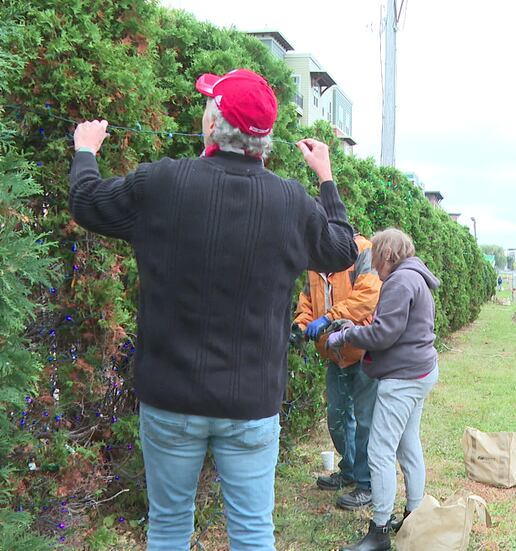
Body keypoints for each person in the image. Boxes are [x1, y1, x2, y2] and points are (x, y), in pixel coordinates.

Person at [68, 68, 358, 551]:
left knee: (168, 526)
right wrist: (326, 178)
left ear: (212, 124)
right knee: (251, 533)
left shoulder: (162, 182)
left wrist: (85, 150)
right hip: (251, 403)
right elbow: (343, 250)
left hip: (170, 397)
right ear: (263, 139)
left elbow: (86, 202)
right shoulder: (292, 201)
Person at [327, 229, 440, 551]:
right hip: (420, 371)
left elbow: (383, 335)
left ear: (386, 254)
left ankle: (379, 532)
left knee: (379, 451)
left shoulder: (400, 282)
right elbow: (393, 327)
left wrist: (348, 335)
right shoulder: (414, 277)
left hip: (402, 378)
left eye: (375, 255)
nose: (372, 263)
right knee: (408, 445)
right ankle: (413, 515)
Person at [293, 234, 381, 510]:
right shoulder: (314, 257)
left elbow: (367, 297)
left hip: (363, 348)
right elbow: (307, 300)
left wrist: (329, 318)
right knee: (337, 416)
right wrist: (300, 325)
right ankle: (350, 470)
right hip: (334, 353)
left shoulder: (363, 250)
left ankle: (367, 485)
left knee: (366, 422)